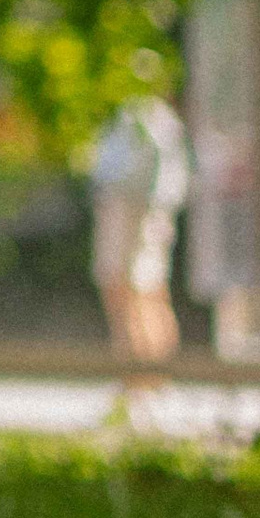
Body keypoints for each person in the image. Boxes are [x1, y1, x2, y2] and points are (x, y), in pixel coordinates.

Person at [90, 94, 189, 366]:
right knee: (142, 291)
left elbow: (144, 176)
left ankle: (143, 373)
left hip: (133, 211)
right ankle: (145, 374)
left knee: (134, 291)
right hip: (140, 211)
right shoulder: (146, 115)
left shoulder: (147, 114)